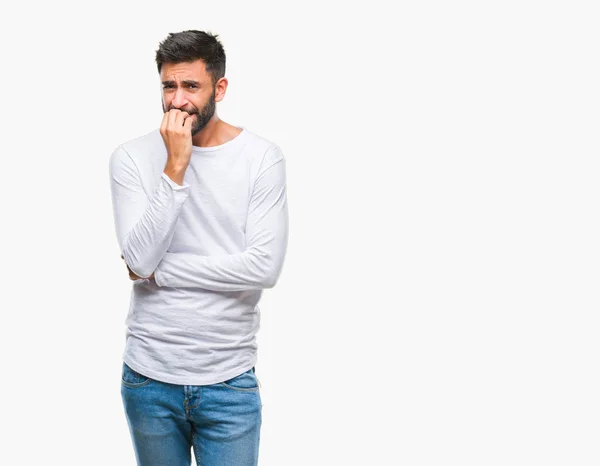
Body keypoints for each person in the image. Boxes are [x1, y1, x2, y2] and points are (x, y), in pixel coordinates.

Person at [108, 30, 289, 466]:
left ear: (219, 89)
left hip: (228, 380)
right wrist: (176, 165)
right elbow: (139, 259)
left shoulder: (261, 157)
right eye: (169, 86)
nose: (177, 100)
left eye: (191, 86)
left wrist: (161, 272)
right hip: (149, 377)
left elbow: (263, 268)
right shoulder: (131, 158)